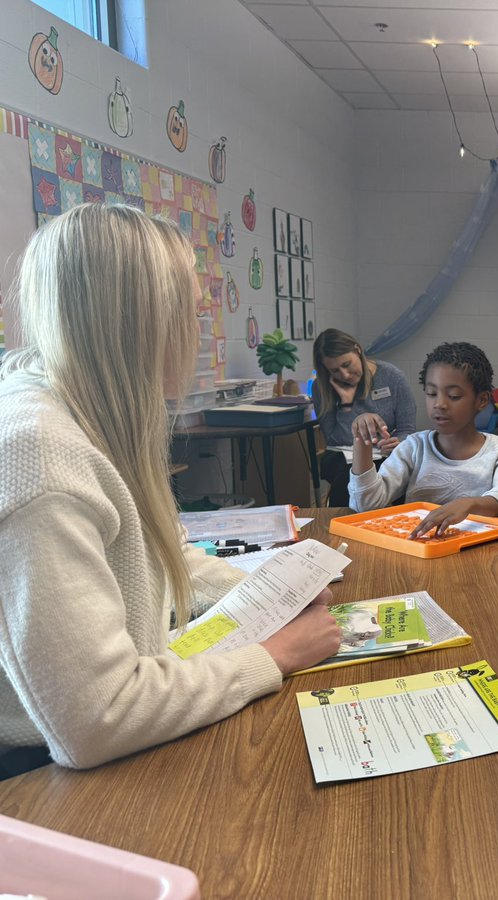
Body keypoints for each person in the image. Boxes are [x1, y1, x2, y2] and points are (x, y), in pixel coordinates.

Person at [0, 204, 340, 775]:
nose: (198, 333)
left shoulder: (94, 413)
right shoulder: (38, 453)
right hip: (35, 774)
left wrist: (275, 595)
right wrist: (274, 655)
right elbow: (96, 717)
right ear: (141, 321)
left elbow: (165, 558)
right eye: (191, 313)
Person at [349, 342, 498, 536]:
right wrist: (362, 440)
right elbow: (366, 505)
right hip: (419, 548)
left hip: (478, 549)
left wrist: (469, 504)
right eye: (431, 393)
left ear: (481, 400)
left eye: (454, 396)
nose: (439, 404)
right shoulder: (414, 447)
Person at [312, 328, 417, 506]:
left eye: (347, 364)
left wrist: (398, 441)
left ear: (357, 350)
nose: (344, 375)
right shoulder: (322, 386)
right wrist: (347, 405)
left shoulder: (392, 376)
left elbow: (407, 429)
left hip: (386, 452)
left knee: (399, 479)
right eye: (335, 371)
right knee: (348, 482)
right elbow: (332, 438)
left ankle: (396, 520)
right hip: (343, 454)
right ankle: (343, 521)